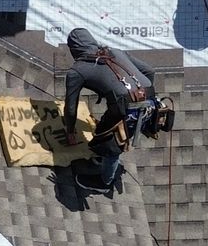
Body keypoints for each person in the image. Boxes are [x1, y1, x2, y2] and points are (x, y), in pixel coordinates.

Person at [63, 27, 156, 192]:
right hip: (150, 99)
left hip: (127, 106)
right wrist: (145, 95)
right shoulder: (115, 51)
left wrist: (70, 132)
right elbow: (149, 70)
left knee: (111, 142)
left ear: (74, 49)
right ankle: (104, 159)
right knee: (106, 127)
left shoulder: (77, 70)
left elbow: (71, 108)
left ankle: (105, 182)